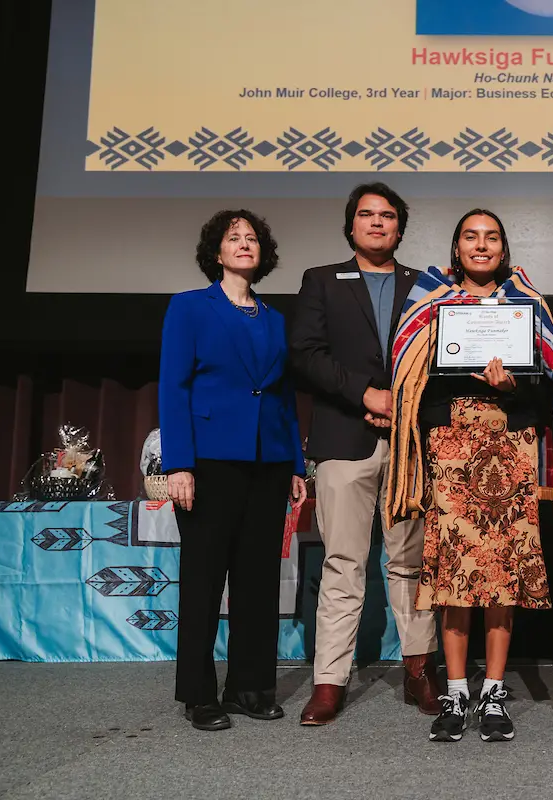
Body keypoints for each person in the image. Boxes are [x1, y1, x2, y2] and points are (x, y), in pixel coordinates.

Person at [386, 209, 553, 743]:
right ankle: (455, 691)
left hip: (511, 449)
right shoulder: (431, 304)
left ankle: (493, 692)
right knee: (455, 577)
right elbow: (410, 386)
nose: (481, 245)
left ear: (503, 249)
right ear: (456, 249)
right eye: (470, 237)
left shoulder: (526, 306)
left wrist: (514, 385)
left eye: (491, 237)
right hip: (451, 449)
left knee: (501, 577)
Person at [290, 183, 441, 725]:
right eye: (366, 215)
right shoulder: (321, 280)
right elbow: (306, 356)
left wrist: (401, 404)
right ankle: (329, 682)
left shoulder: (426, 287)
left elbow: (439, 359)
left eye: (387, 217)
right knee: (342, 562)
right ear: (350, 225)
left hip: (410, 442)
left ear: (399, 228)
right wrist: (366, 395)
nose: (377, 224)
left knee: (410, 561)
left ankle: (419, 672)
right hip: (343, 437)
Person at [159, 209, 308, 732]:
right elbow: (173, 389)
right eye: (233, 238)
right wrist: (179, 464)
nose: (244, 244)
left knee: (257, 580)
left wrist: (295, 463)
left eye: (252, 238)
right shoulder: (188, 309)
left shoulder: (274, 319)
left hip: (268, 464)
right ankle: (199, 694)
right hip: (209, 463)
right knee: (203, 582)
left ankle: (249, 686)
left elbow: (284, 397)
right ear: (216, 253)